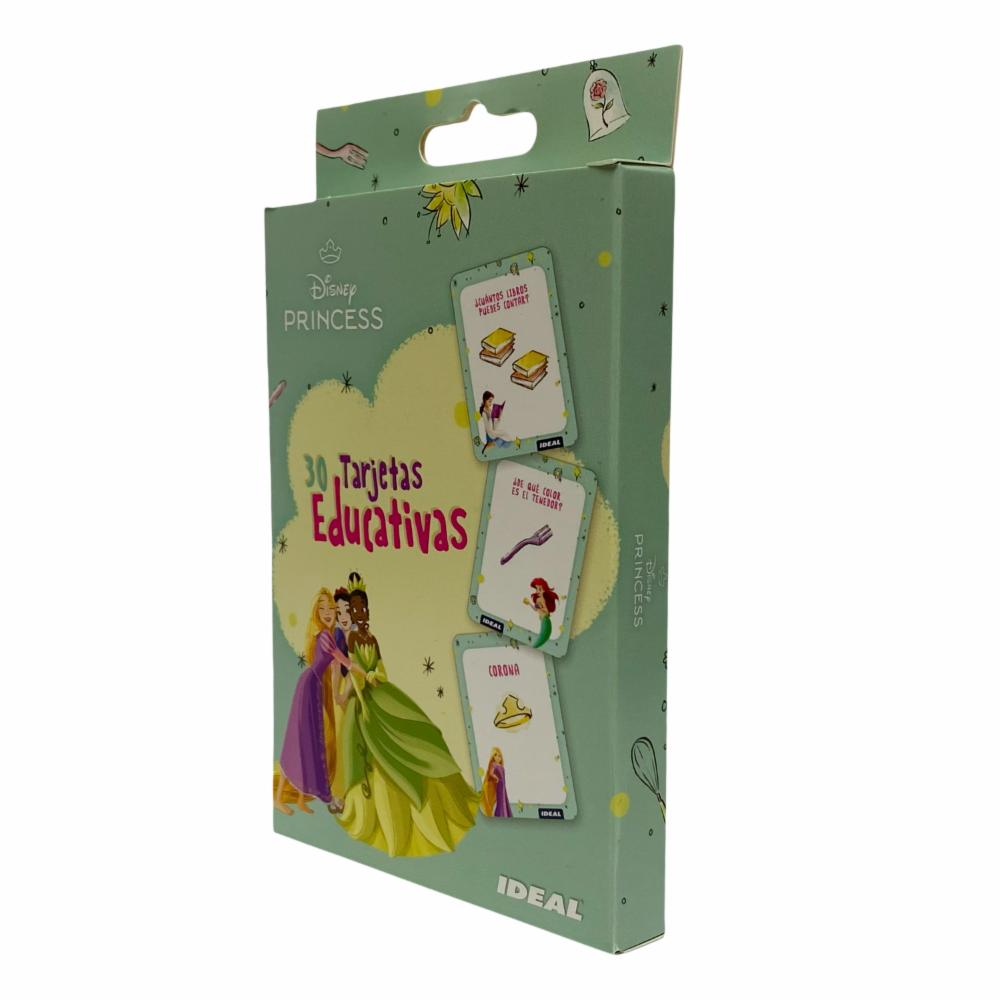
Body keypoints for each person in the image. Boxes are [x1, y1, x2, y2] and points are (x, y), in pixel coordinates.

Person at [336, 572, 479, 856]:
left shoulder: (371, 638)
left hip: (379, 690)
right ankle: (359, 803)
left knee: (416, 727)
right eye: (354, 610)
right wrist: (354, 686)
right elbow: (353, 672)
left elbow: (379, 667)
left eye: (362, 609)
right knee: (356, 744)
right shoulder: (351, 640)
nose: (359, 614)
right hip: (361, 696)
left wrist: (373, 675)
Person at [273, 589, 350, 815]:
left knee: (309, 741)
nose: (328, 613)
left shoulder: (327, 634)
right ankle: (278, 798)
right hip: (309, 686)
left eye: (331, 609)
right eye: (322, 608)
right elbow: (342, 661)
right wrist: (362, 671)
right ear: (317, 611)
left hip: (314, 686)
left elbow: (336, 667)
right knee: (298, 739)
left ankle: (300, 799)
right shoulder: (325, 636)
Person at [524, 577, 559, 648]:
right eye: (537, 589)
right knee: (540, 639)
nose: (537, 591)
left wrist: (540, 607)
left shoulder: (543, 600)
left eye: (540, 589)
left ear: (544, 590)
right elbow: (535, 609)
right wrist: (529, 603)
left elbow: (547, 611)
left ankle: (534, 647)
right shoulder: (538, 599)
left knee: (542, 638)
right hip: (542, 619)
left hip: (545, 619)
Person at [480, 747, 513, 818]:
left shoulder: (501, 767)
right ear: (493, 757)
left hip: (503, 785)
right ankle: (499, 813)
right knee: (500, 799)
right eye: (496, 755)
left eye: (499, 756)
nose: (498, 757)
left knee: (504, 799)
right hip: (499, 785)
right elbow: (490, 773)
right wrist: (496, 778)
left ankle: (505, 813)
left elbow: (503, 777)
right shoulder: (493, 764)